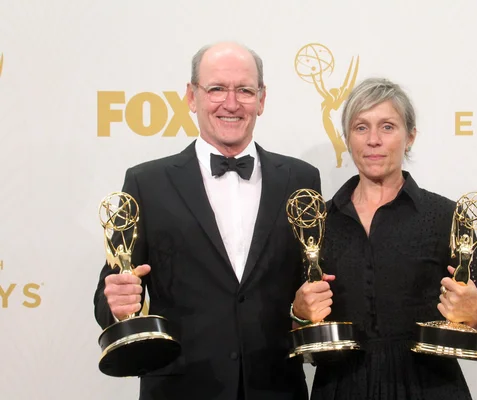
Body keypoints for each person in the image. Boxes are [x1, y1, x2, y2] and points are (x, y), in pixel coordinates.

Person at [93, 41, 320, 400]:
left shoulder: (301, 179)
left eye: (244, 90)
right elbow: (110, 293)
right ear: (192, 96)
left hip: (276, 387)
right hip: (180, 388)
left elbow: (310, 286)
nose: (231, 103)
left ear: (261, 99)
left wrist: (305, 312)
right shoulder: (145, 183)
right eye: (216, 89)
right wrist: (117, 303)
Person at [291, 77, 477, 399]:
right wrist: (298, 313)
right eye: (361, 127)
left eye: (387, 127)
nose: (373, 140)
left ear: (410, 137)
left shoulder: (447, 216)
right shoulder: (317, 222)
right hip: (341, 389)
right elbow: (295, 328)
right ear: (347, 138)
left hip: (429, 388)